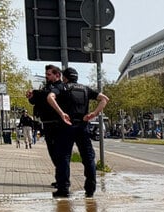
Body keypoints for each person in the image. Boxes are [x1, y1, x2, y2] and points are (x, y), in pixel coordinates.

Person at [46, 67, 109, 198]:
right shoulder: (85, 89)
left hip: (66, 126)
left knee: (63, 158)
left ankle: (63, 189)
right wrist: (94, 114)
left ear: (64, 77)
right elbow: (104, 99)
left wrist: (61, 113)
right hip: (83, 126)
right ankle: (90, 189)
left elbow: (50, 98)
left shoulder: (63, 88)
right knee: (88, 157)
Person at [28, 65, 65, 184]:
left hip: (57, 124)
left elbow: (47, 96)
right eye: (46, 74)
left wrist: (37, 93)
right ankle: (60, 178)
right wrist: (31, 97)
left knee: (59, 153)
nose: (46, 77)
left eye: (49, 75)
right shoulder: (46, 87)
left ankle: (63, 179)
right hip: (47, 123)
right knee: (52, 152)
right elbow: (37, 101)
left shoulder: (60, 87)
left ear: (57, 75)